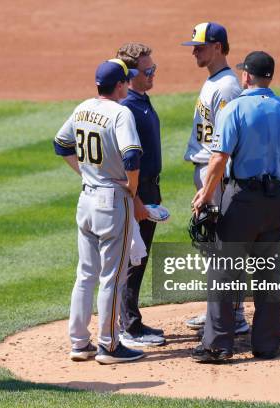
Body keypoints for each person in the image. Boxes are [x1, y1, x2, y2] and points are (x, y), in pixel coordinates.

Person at [190, 51, 280, 363]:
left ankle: (217, 345)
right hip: (276, 201)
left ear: (245, 76)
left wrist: (205, 194)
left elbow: (218, 159)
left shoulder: (236, 109)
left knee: (224, 272)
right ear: (269, 77)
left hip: (242, 199)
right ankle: (268, 345)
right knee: (268, 273)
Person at [54, 59, 146, 364]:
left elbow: (60, 143)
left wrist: (84, 173)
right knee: (113, 277)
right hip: (112, 201)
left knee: (85, 275)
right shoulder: (122, 113)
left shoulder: (82, 108)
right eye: (126, 81)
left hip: (86, 200)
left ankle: (80, 343)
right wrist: (131, 190)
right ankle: (109, 345)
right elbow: (132, 156)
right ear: (119, 85)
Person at [180, 22, 248, 334]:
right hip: (207, 170)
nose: (194, 51)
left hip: (216, 172)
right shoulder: (215, 81)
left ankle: (234, 315)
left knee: (223, 244)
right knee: (211, 243)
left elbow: (228, 142)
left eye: (200, 46)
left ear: (218, 47)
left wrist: (212, 184)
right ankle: (218, 310)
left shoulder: (227, 87)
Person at [115, 43, 165, 348]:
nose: (153, 74)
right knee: (133, 259)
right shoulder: (126, 108)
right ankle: (129, 328)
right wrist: (134, 199)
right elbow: (124, 161)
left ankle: (132, 321)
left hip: (149, 187)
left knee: (140, 257)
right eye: (148, 71)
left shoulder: (141, 100)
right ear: (131, 74)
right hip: (137, 190)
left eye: (153, 68)